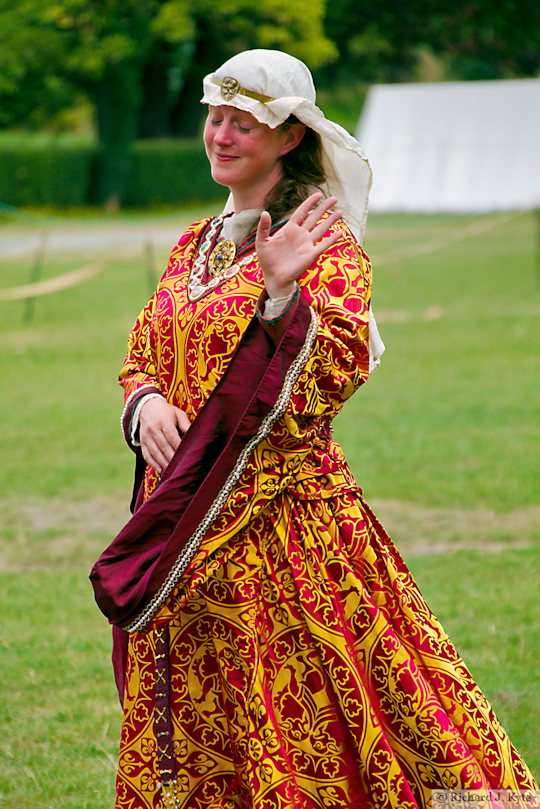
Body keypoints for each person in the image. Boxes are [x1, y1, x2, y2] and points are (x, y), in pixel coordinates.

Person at [91, 49, 537, 809]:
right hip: (185, 535)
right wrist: (145, 405)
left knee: (318, 722)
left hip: (286, 537)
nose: (221, 135)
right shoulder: (192, 245)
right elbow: (142, 352)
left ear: (289, 136)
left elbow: (328, 381)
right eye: (215, 117)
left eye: (243, 122)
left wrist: (279, 296)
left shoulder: (325, 244)